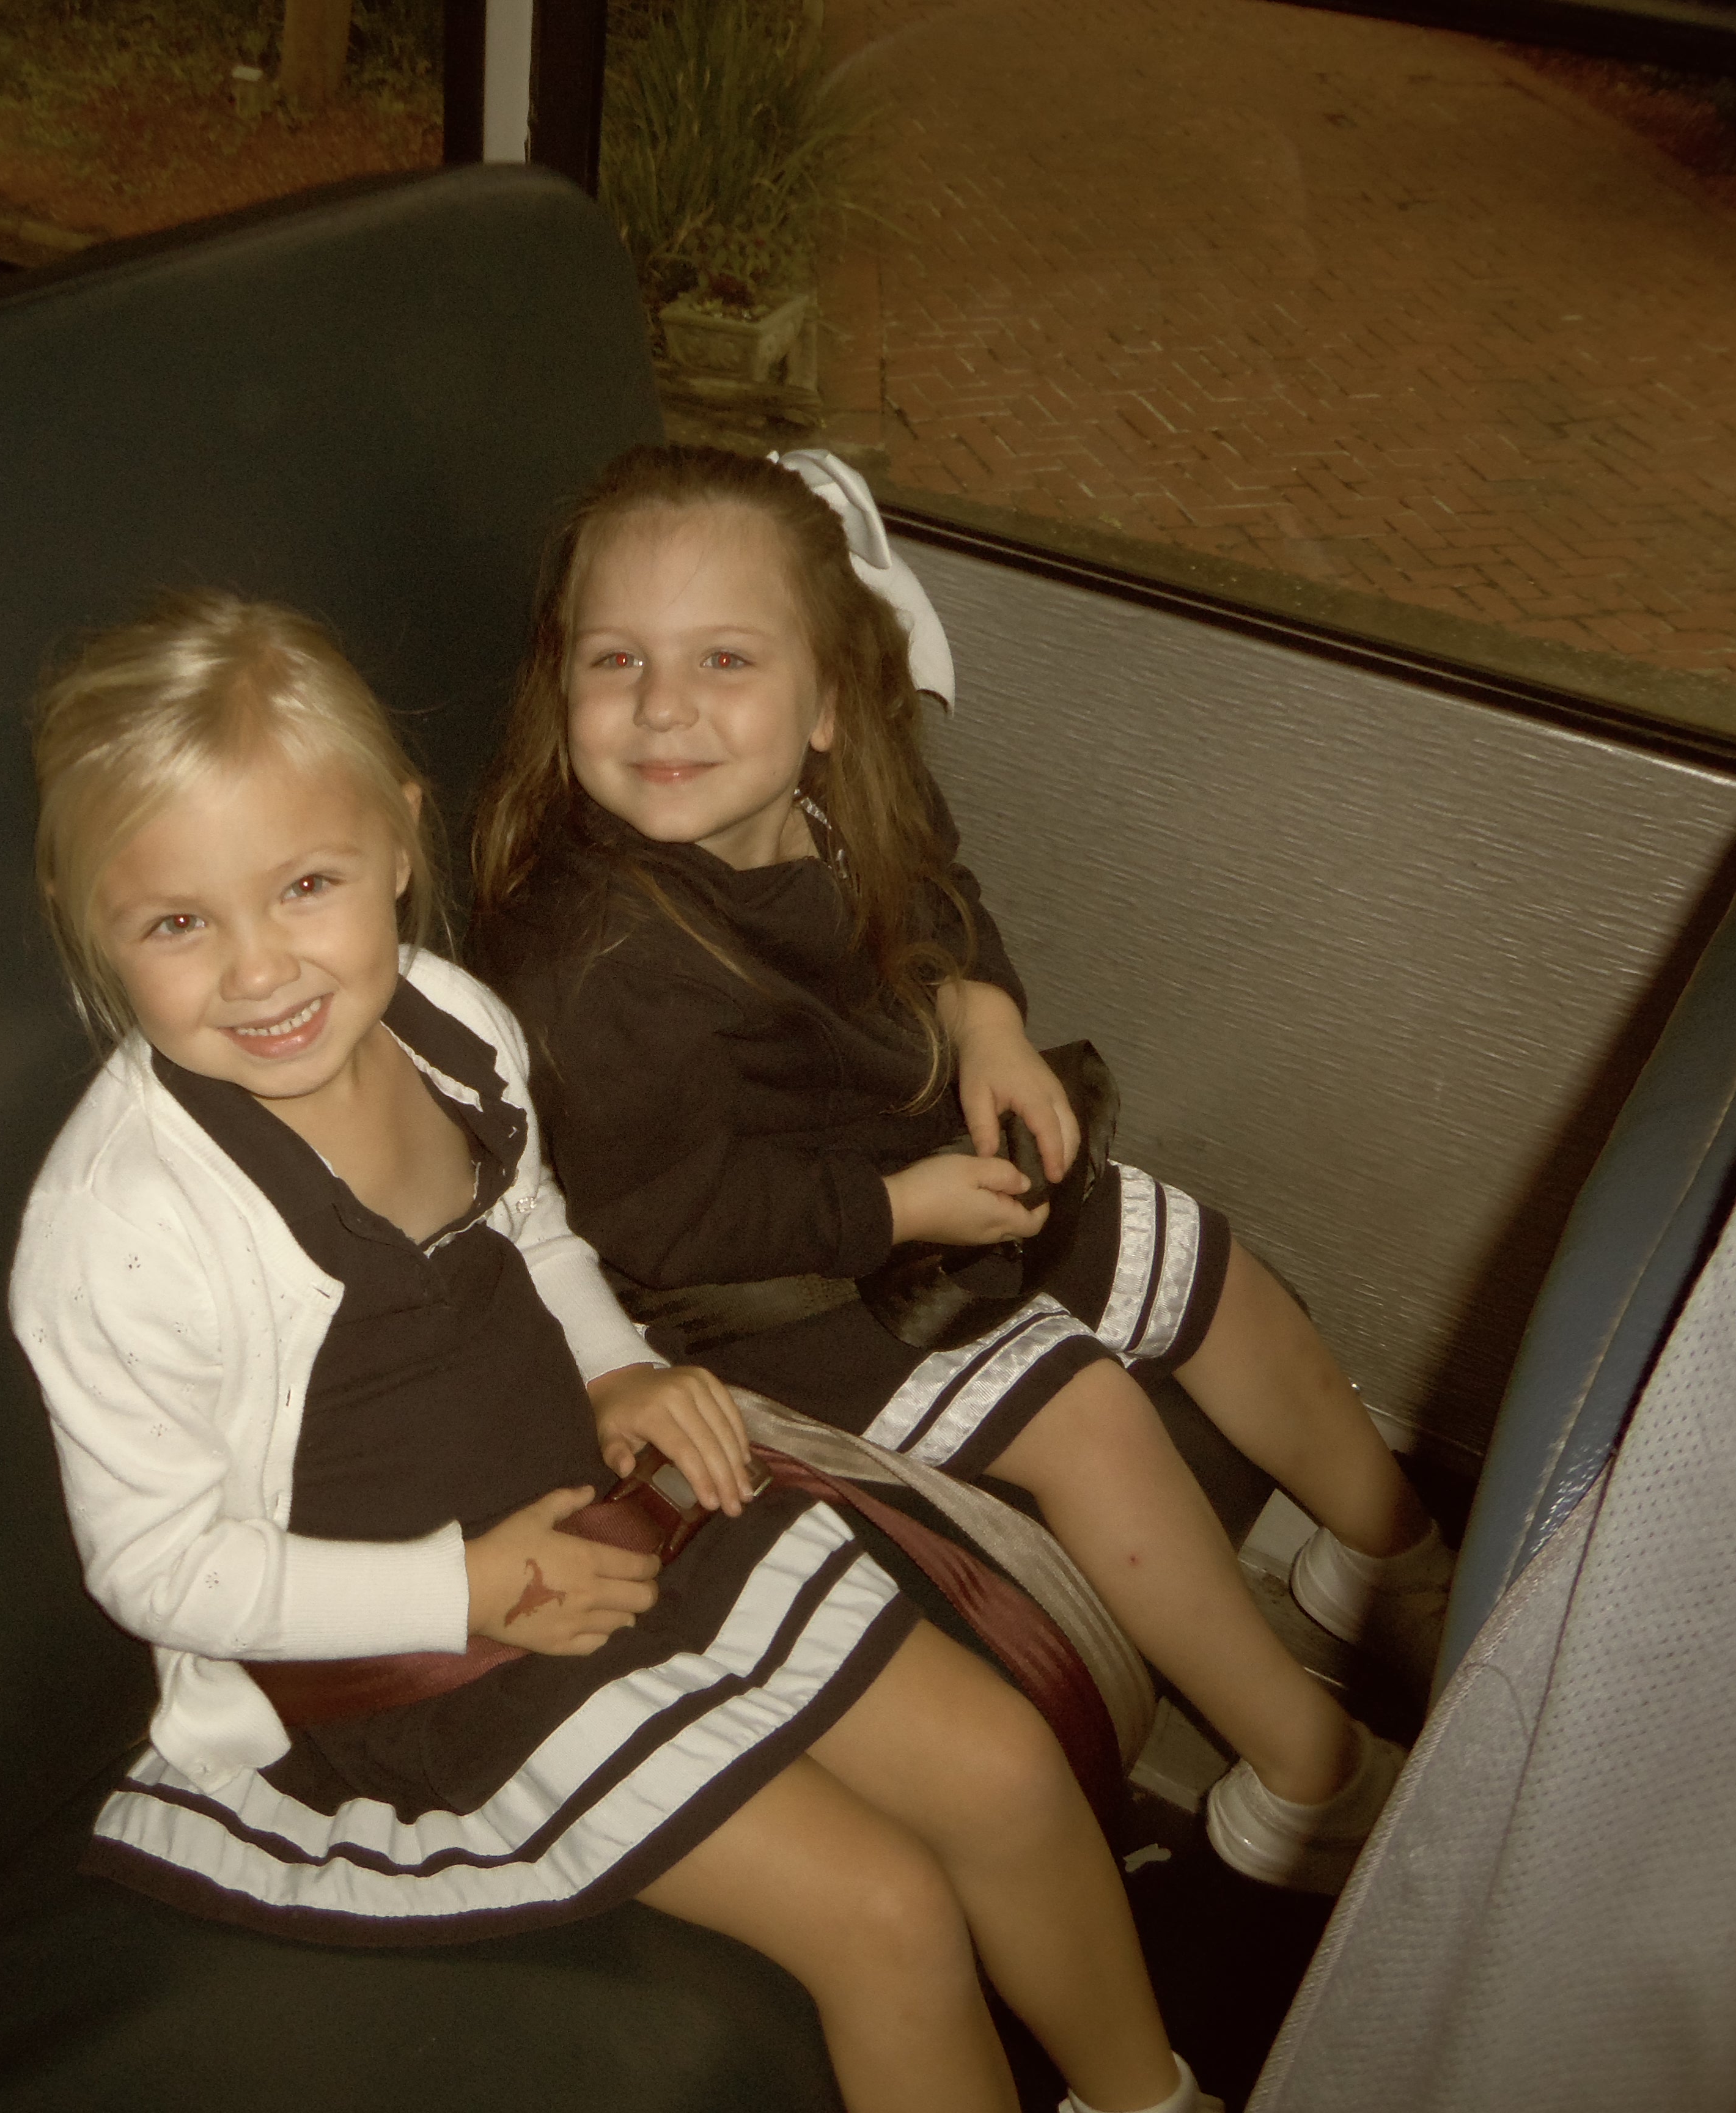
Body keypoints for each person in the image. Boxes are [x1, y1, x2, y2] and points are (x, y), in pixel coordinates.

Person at [9, 592, 1226, 2113]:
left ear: (400, 844)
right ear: (94, 924)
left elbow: (534, 1235)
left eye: (306, 885)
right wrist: (460, 1587)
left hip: (618, 1508)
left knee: (1005, 1767)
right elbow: (157, 1569)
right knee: (884, 1916)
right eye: (178, 924)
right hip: (418, 1655)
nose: (260, 972)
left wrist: (614, 1368)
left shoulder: (452, 1024)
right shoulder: (122, 1226)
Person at [469, 444, 1454, 1895]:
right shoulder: (596, 959)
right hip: (761, 1302)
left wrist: (983, 1015)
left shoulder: (843, 803)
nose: (663, 706)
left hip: (911, 1168)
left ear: (826, 709)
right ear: (562, 695)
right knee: (1088, 1418)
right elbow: (663, 1217)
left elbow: (936, 899)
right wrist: (895, 1211)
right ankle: (1302, 1775)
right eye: (617, 661)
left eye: (724, 659)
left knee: (1202, 1257)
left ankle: (1389, 1559)